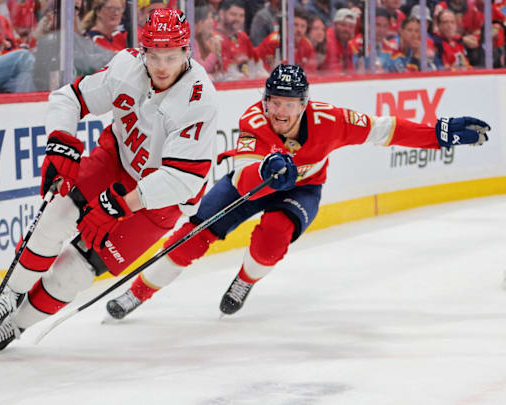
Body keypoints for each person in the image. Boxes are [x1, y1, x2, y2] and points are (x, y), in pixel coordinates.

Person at [104, 64, 490, 321]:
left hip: (302, 189)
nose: (281, 112)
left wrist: (437, 136)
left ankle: (245, 281)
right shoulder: (253, 121)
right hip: (252, 186)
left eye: (290, 103)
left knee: (272, 240)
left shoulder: (332, 120)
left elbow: (386, 129)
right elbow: (241, 178)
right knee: (190, 239)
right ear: (264, 100)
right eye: (275, 102)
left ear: (304, 105)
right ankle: (139, 292)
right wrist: (266, 169)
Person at [0, 8, 218, 354]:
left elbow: (185, 177)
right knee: (57, 214)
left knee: (75, 271)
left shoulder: (199, 98)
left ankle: (15, 326)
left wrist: (123, 205)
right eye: (155, 55)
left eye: (171, 56)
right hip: (117, 158)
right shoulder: (126, 66)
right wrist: (60, 143)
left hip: (160, 199)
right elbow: (69, 98)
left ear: (186, 53)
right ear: (143, 51)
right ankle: (9, 293)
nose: (162, 66)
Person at [319, 8, 357, 74]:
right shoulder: (326, 41)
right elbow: (333, 73)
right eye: (343, 25)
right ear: (334, 25)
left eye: (351, 27)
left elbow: (351, 72)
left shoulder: (348, 44)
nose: (347, 30)